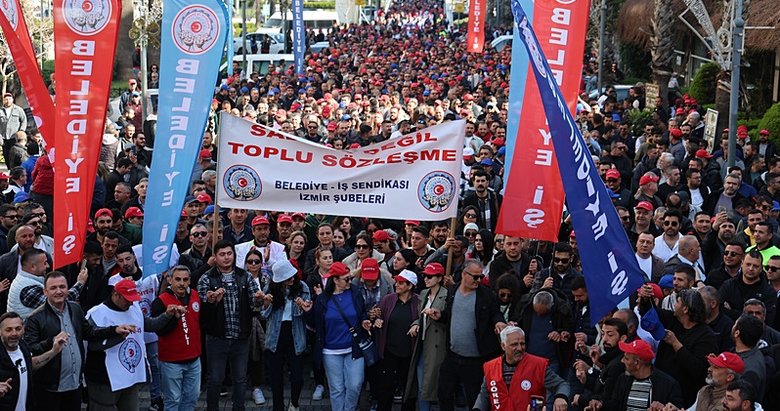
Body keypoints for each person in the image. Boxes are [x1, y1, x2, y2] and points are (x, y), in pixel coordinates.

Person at [84, 279, 183, 411]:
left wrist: (167, 315)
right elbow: (91, 345)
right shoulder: (96, 314)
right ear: (115, 294)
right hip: (104, 379)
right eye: (127, 299)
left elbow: (149, 325)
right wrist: (117, 336)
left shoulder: (134, 307)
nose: (131, 303)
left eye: (133, 299)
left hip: (129, 377)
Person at [197, 240, 264, 411]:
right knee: (215, 379)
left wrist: (259, 299)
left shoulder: (245, 276)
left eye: (229, 253)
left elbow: (253, 305)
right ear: (215, 257)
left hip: (241, 336)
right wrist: (211, 301)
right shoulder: (207, 278)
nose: (226, 257)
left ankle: (238, 408)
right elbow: (201, 307)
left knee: (240, 379)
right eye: (222, 254)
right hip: (216, 336)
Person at [437, 259, 506, 411]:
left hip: (475, 359)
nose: (478, 280)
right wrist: (440, 316)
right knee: (444, 392)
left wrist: (499, 323)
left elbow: (496, 313)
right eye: (475, 277)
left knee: (474, 398)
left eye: (480, 277)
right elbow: (449, 315)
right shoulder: (452, 291)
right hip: (453, 355)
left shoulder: (486, 295)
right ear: (464, 274)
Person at [311, 261, 372, 411]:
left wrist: (364, 320)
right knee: (337, 389)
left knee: (355, 385)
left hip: (354, 348)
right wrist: (307, 311)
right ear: (335, 280)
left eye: (350, 278)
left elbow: (362, 312)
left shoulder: (355, 293)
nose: (350, 281)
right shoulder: (322, 299)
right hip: (330, 351)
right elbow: (315, 324)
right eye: (346, 279)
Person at [473, 326, 569, 411]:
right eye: (514, 344)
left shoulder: (538, 365)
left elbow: (562, 384)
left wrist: (560, 397)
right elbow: (484, 394)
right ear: (503, 346)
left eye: (522, 344)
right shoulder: (491, 367)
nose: (519, 348)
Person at [260, 259, 312, 411]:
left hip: (295, 332)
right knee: (276, 378)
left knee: (297, 377)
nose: (292, 279)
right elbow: (264, 314)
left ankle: (294, 403)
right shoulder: (270, 288)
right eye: (288, 277)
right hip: (275, 334)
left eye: (293, 276)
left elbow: (306, 312)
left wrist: (304, 307)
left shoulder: (302, 287)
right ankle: (278, 407)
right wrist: (267, 303)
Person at [150, 266, 203, 411]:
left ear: (190, 281)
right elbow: (159, 331)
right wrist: (172, 317)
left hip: (194, 359)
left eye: (185, 280)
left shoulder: (194, 295)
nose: (181, 283)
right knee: (172, 401)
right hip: (171, 362)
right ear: (170, 280)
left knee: (192, 398)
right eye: (178, 279)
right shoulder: (160, 301)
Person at [0, 311, 69, 410]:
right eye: (8, 330)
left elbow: (30, 365)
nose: (14, 333)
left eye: (18, 329)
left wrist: (54, 351)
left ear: (23, 329)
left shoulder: (23, 346)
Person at [405, 263, 448, 411]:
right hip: (422, 344)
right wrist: (416, 323)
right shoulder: (423, 293)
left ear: (440, 278)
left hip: (437, 345)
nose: (426, 279)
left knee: (432, 384)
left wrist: (438, 315)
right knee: (422, 383)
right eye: (424, 275)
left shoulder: (447, 295)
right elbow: (420, 315)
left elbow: (448, 319)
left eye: (430, 276)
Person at [375, 269, 419, 411]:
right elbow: (377, 315)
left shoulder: (419, 301)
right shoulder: (388, 299)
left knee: (408, 389)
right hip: (389, 352)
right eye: (397, 281)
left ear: (410, 285)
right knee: (385, 389)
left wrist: (418, 323)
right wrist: (376, 320)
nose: (396, 285)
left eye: (401, 283)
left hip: (409, 354)